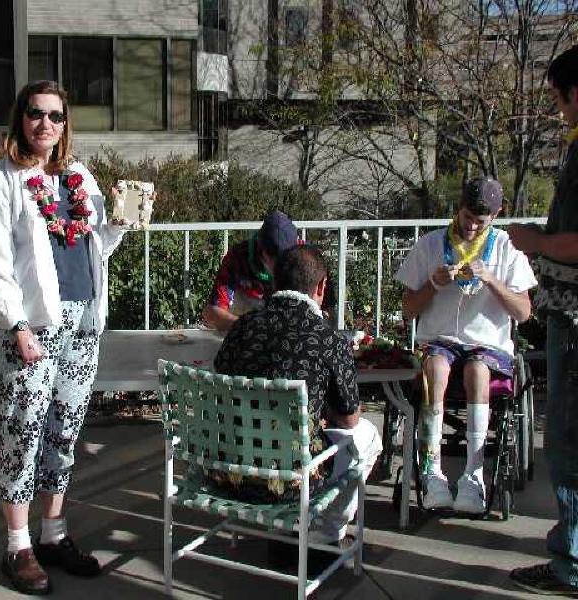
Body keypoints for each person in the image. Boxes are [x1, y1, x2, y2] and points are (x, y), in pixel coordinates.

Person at [0, 80, 128, 595]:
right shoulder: (1, 181)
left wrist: (121, 222)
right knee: (24, 433)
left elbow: (95, 245)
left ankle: (53, 535)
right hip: (30, 326)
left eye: (56, 116)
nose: (46, 124)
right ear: (20, 118)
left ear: (65, 124)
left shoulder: (80, 176)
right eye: (36, 113)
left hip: (82, 322)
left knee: (64, 432)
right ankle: (17, 547)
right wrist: (17, 325)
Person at [213, 244, 382, 544]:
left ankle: (292, 527)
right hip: (290, 484)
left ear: (274, 282)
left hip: (230, 473)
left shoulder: (241, 328)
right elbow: (349, 419)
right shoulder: (329, 339)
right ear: (321, 287)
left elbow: (222, 378)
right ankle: (325, 530)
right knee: (367, 435)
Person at [395, 177, 536, 514]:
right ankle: (432, 472)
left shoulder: (506, 248)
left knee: (477, 370)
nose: (471, 225)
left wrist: (490, 279)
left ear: (496, 215)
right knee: (435, 368)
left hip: (487, 345)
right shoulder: (430, 244)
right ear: (458, 208)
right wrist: (433, 284)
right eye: (467, 216)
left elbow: (523, 312)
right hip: (439, 339)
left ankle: (474, 475)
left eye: (480, 220)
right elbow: (408, 310)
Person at [508, 45, 578, 596]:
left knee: (568, 441)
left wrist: (533, 240)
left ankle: (570, 564)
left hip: (574, 318)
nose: (558, 109)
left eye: (558, 97)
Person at [201, 210, 299, 332]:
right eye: (273, 258)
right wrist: (252, 329)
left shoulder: (306, 258)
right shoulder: (238, 257)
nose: (279, 266)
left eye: (285, 259)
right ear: (261, 248)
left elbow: (319, 306)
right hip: (247, 325)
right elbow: (213, 311)